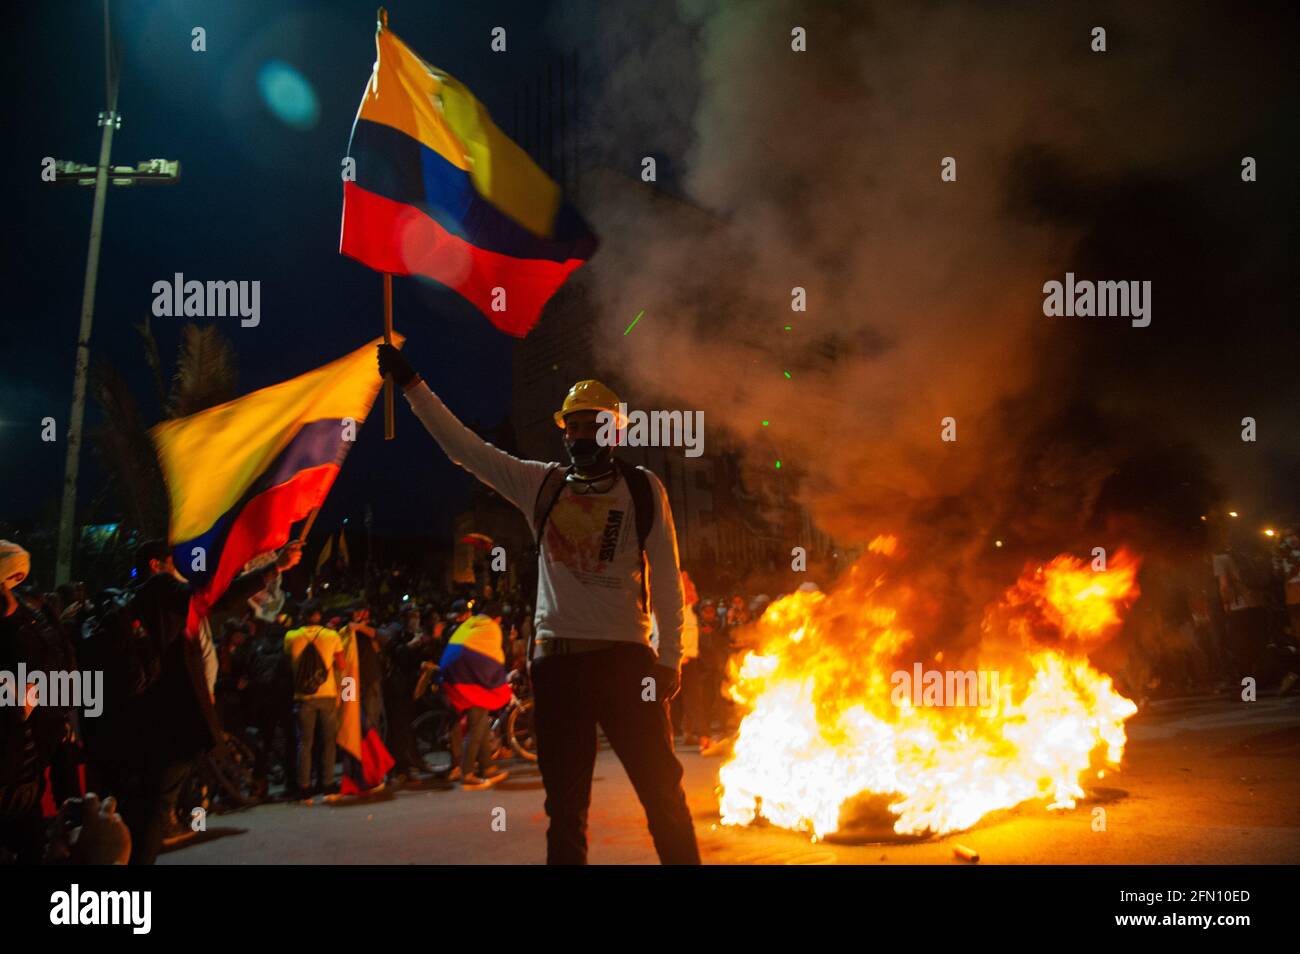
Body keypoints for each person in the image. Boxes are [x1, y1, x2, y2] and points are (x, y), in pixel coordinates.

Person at [379, 343, 700, 864]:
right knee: (565, 809)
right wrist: (412, 383)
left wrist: (667, 659)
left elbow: (665, 576)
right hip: (557, 666)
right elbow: (465, 450)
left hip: (626, 661)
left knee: (663, 794)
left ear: (613, 431)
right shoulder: (542, 484)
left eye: (590, 424)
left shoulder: (643, 489)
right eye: (571, 426)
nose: (579, 435)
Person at [87, 538, 302, 863]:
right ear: (156, 566)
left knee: (137, 806)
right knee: (154, 809)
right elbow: (214, 598)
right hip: (166, 724)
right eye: (173, 563)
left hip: (127, 724)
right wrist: (274, 568)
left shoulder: (125, 599)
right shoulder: (162, 589)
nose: (180, 570)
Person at [438, 600, 512, 788]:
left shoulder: (471, 625)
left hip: (456, 679)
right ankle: (468, 774)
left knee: (482, 724)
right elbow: (494, 659)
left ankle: (487, 766)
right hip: (472, 683)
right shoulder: (491, 629)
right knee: (476, 728)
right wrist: (497, 681)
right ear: (497, 618)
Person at [283, 600, 345, 798]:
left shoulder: (291, 636)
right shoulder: (331, 636)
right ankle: (326, 782)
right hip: (327, 694)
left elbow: (287, 660)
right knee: (328, 741)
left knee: (305, 742)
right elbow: (342, 665)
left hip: (302, 696)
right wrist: (345, 694)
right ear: (320, 615)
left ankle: (304, 785)